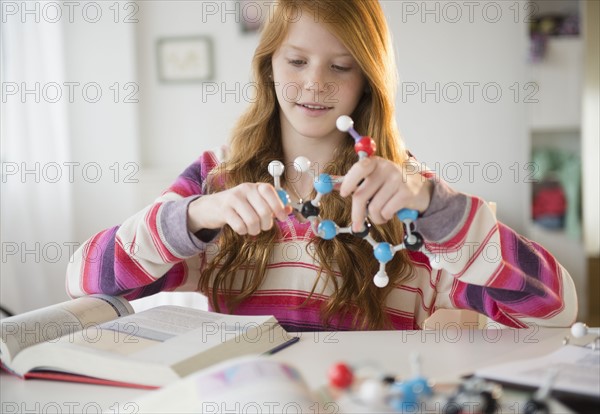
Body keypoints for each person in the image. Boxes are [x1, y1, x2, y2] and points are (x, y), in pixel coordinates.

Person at [66, 0, 577, 331]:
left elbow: (554, 309)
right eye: (296, 61)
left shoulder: (410, 198)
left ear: (367, 82)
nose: (315, 84)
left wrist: (433, 209)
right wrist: (197, 217)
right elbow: (87, 280)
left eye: (340, 66)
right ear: (268, 66)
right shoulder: (213, 181)